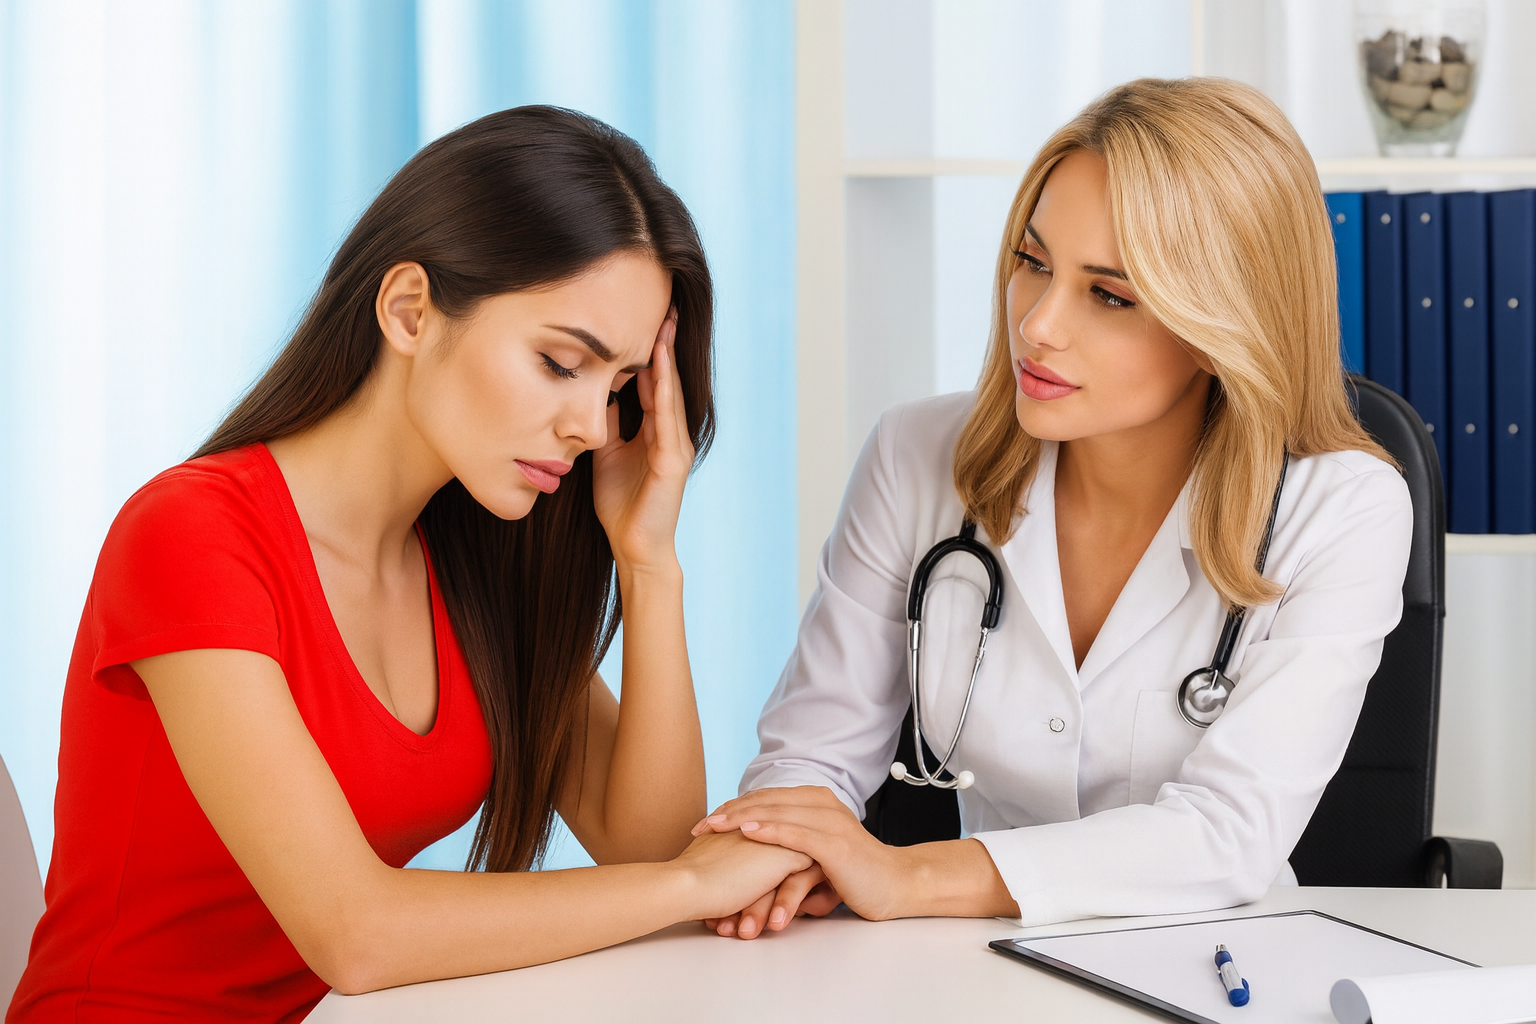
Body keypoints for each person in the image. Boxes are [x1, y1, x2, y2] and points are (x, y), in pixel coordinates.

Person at [7, 106, 808, 1023]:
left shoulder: (473, 559)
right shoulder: (190, 535)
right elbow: (357, 933)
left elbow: (653, 849)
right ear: (409, 311)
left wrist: (649, 558)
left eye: (621, 386)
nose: (594, 426)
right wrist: (699, 885)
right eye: (559, 364)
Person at [694, 78, 1413, 938]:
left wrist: (906, 874)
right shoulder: (914, 456)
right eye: (1033, 262)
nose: (1037, 324)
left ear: (1225, 328)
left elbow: (1229, 833)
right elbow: (811, 754)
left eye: (1108, 295)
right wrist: (785, 849)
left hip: (1213, 958)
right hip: (971, 963)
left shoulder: (1344, 510)